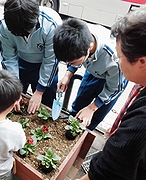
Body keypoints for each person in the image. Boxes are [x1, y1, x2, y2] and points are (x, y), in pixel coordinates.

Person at [77, 7, 146, 180]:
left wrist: (93, 107)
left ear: (142, 61)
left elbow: (104, 171)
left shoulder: (141, 121)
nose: (118, 61)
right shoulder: (140, 84)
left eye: (120, 57)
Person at [53, 18, 128, 130]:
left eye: (72, 62)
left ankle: (85, 132)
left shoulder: (114, 58)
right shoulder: (78, 34)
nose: (70, 64)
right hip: (93, 70)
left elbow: (114, 87)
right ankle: (70, 124)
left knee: (95, 115)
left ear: (89, 48)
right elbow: (74, 58)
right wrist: (68, 75)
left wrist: (93, 107)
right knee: (79, 103)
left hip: (114, 81)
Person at [0, 0, 62, 114]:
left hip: (44, 64)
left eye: (27, 32)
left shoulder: (51, 25)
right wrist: (15, 89)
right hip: (21, 61)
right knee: (14, 100)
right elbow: (9, 58)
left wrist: (39, 91)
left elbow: (50, 61)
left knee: (46, 104)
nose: (24, 36)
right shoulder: (4, 26)